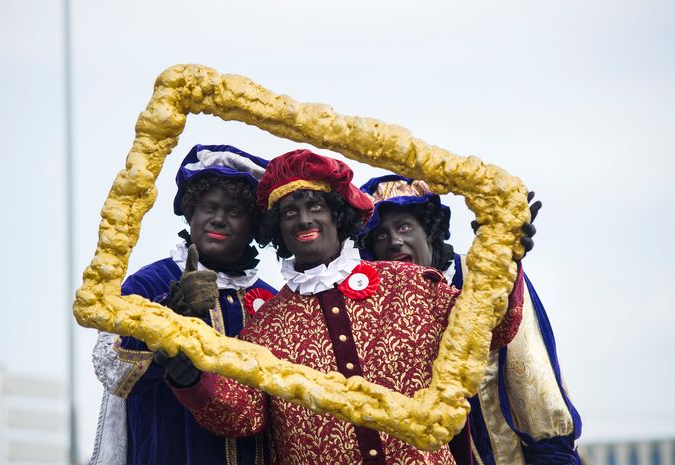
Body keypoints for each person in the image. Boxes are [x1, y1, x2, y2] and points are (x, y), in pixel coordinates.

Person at [162, 149, 526, 465]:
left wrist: (503, 259)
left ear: (337, 215)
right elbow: (244, 417)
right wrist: (190, 377)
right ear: (278, 231)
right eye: (289, 213)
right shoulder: (265, 325)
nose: (304, 219)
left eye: (315, 206)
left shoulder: (412, 284)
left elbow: (492, 330)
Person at [357, 175, 583, 465]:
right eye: (381, 235)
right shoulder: (375, 305)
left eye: (404, 227)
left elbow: (531, 372)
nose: (394, 241)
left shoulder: (480, 275)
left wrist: (503, 261)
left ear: (428, 231)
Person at [90, 144, 277, 465]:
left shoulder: (271, 298)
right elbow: (111, 369)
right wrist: (168, 320)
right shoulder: (150, 282)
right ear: (191, 212)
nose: (218, 219)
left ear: (253, 225)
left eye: (233, 211)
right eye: (208, 207)